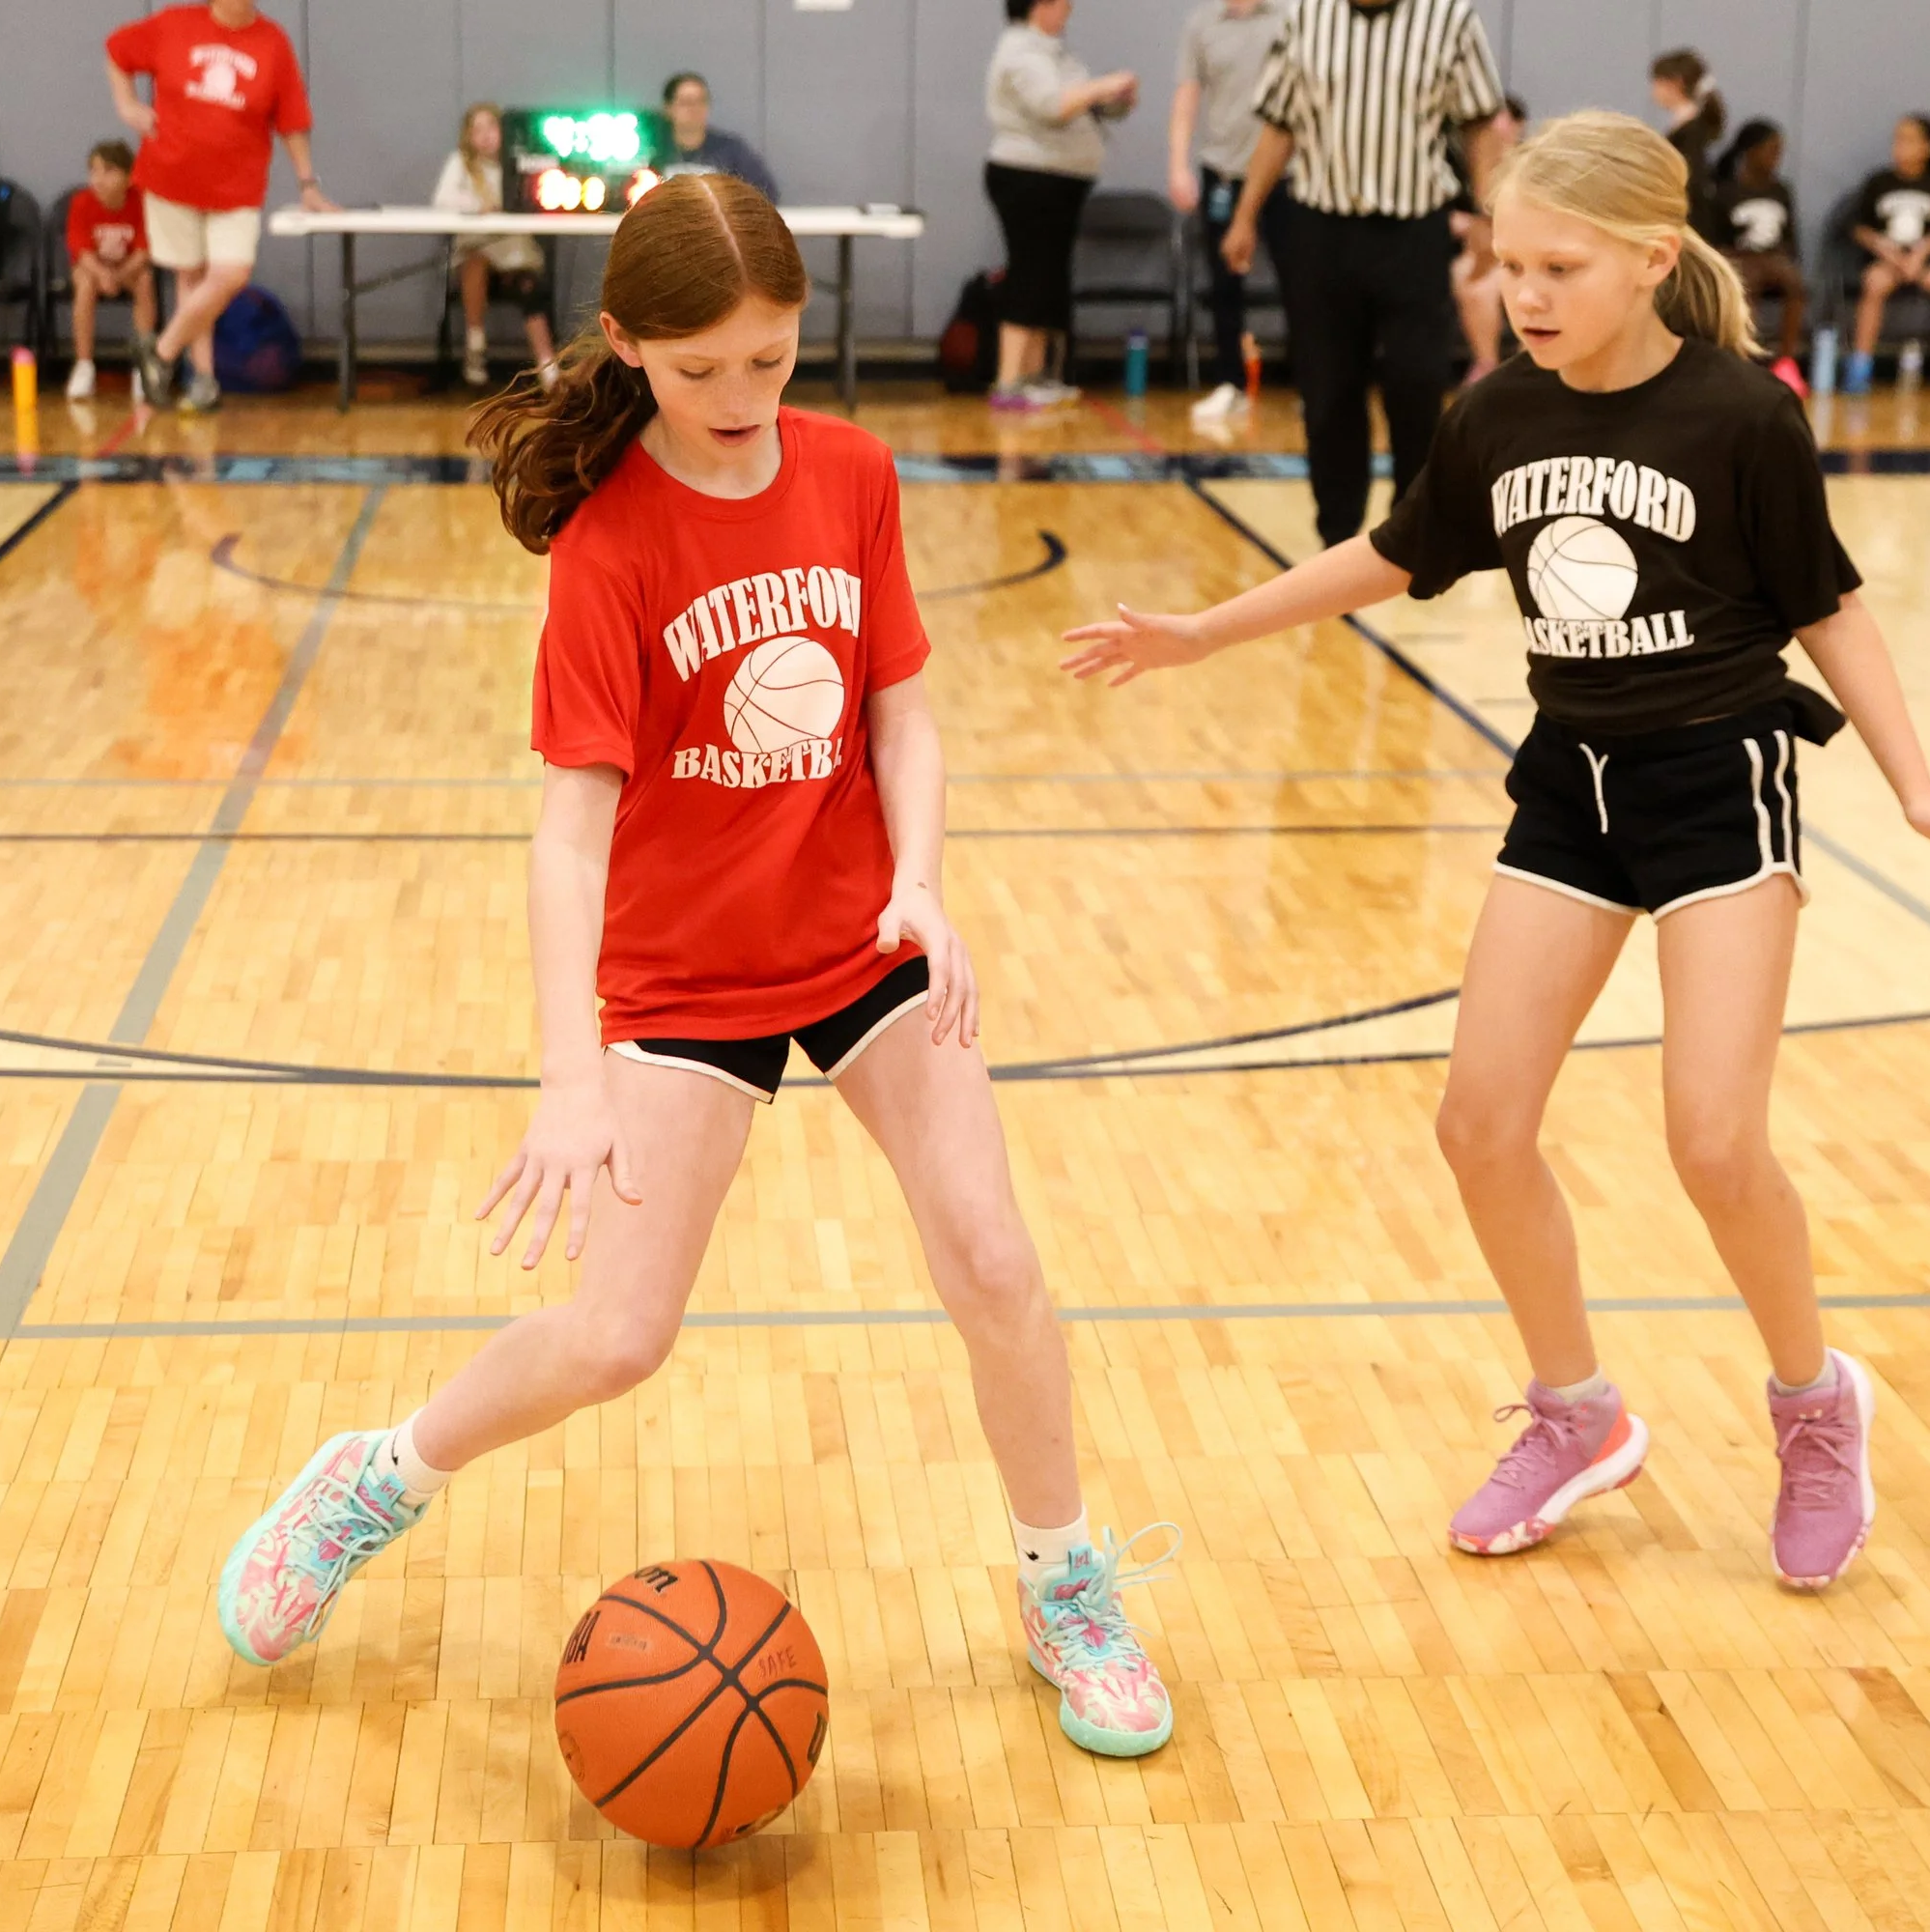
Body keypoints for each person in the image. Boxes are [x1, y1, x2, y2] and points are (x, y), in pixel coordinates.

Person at [213, 172, 1179, 1761]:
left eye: (771, 360)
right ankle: (375, 1477)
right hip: (683, 976)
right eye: (701, 367)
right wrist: (568, 1077)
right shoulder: (609, 545)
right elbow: (568, 837)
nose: (741, 395)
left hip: (863, 934)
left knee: (995, 1260)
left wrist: (922, 885)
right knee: (616, 1339)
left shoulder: (853, 473)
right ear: (626, 343)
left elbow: (902, 715)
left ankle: (1065, 1587)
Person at [1063, 111, 1930, 1593]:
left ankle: (1813, 1402)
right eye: (1508, 263)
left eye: (1558, 268)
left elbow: (1829, 605)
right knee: (1478, 1124)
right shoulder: (1497, 413)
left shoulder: (1742, 416)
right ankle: (1579, 1412)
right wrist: (1206, 630)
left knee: (1714, 1141)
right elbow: (1398, 551)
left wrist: (1919, 788)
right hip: (1570, 787)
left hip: (1717, 786)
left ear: (1651, 259)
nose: (1524, 293)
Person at [1225, 0, 1510, 546]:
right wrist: (1245, 216)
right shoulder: (1305, 15)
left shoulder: (1449, 18)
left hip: (1413, 229)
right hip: (1321, 228)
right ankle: (1337, 533)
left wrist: (1489, 213)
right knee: (1327, 388)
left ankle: (1413, 531)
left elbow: (1480, 125)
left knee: (1416, 383)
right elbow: (1278, 126)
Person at [104, 0, 333, 414]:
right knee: (191, 277)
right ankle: (204, 380)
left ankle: (160, 351)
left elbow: (292, 118)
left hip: (237, 187)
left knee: (231, 273)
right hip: (172, 177)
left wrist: (307, 184)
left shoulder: (272, 43)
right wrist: (126, 105)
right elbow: (117, 50)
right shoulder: (174, 24)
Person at [984, 0, 1137, 411]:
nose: (1069, 7)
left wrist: (1115, 98)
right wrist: (1102, 86)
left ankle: (1035, 376)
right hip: (1028, 177)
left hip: (1059, 180)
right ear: (1039, 6)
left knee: (1047, 278)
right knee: (1029, 273)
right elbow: (1053, 106)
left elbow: (1082, 103)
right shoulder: (1020, 50)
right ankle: (1009, 381)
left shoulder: (1054, 51)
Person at [1167, 0, 1291, 424]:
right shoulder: (1202, 25)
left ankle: (1312, 384)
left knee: (1303, 282)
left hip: (1286, 173)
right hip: (1223, 171)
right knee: (1224, 283)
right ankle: (1229, 383)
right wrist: (1178, 164)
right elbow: (1187, 96)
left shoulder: (1289, 18)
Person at [1844, 113, 1930, 396]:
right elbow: (1859, 228)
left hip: (1923, 263)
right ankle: (1860, 364)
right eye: (1897, 140)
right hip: (1886, 261)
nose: (1900, 146)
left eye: (1908, 140)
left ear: (1928, 147)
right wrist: (1887, 251)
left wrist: (1920, 253)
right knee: (1874, 284)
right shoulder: (1878, 182)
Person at [433, 102, 559, 390]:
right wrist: (478, 206)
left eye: (491, 127)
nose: (486, 135)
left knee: (529, 285)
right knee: (475, 262)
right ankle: (475, 347)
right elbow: (442, 201)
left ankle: (548, 366)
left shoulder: (519, 164)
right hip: (476, 249)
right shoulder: (460, 163)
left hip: (514, 255)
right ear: (468, 136)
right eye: (477, 129)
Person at [1710, 119, 1806, 397]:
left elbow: (1790, 237)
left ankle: (1786, 362)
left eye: (1780, 152)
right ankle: (1743, 359)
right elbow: (1714, 241)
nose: (1776, 158)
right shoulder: (1726, 191)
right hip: (1738, 256)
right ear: (1750, 152)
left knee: (1795, 284)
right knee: (1746, 284)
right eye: (1771, 150)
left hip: (1773, 256)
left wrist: (1784, 255)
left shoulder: (1781, 190)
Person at [63, 139, 156, 403]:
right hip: (92, 268)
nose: (99, 179)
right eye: (93, 171)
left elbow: (144, 251)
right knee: (84, 284)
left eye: (108, 171)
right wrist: (103, 274)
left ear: (128, 176)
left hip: (128, 267)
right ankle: (84, 365)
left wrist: (119, 274)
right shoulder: (82, 202)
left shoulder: (141, 201)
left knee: (145, 281)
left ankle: (142, 367)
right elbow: (82, 253)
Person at [1450, 95, 1525, 384]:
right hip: (1487, 254)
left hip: (1525, 254)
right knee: (1473, 285)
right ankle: (1486, 365)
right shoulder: (1462, 168)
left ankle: (1531, 368)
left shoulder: (1533, 168)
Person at [658, 72, 779, 202]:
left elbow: (766, 192)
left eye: (701, 101)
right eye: (686, 102)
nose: (695, 109)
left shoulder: (730, 150)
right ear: (668, 108)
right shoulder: (654, 150)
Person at [1646, 48, 1724, 227]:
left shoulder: (1692, 132)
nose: (1653, 92)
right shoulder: (1687, 128)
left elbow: (1691, 182)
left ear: (1676, 83)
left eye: (1657, 83)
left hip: (1689, 220)